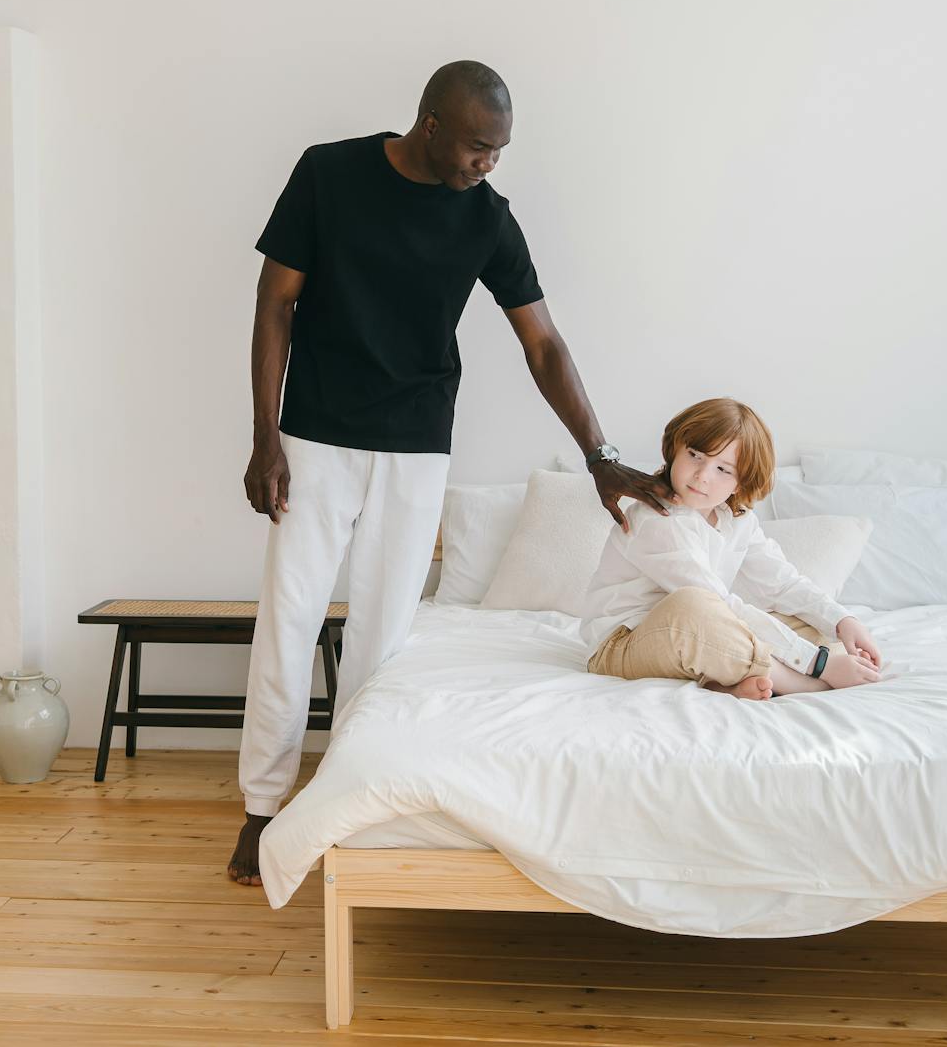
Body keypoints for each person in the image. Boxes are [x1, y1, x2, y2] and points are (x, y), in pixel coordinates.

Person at [229, 60, 669, 885]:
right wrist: (264, 436)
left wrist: (601, 456)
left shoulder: (488, 220)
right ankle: (262, 808)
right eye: (476, 147)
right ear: (430, 124)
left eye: (499, 151)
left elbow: (543, 344)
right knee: (289, 619)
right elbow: (274, 304)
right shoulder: (328, 173)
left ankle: (345, 800)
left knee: (383, 633)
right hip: (316, 432)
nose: (487, 165)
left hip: (418, 439)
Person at [582, 397, 886, 699]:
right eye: (694, 455)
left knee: (807, 625)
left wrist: (842, 620)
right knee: (695, 605)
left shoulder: (736, 519)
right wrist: (817, 666)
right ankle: (801, 684)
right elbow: (717, 604)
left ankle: (721, 678)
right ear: (674, 450)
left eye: (723, 469)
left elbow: (782, 583)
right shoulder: (655, 518)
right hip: (623, 645)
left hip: (703, 636)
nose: (702, 475)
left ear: (740, 483)